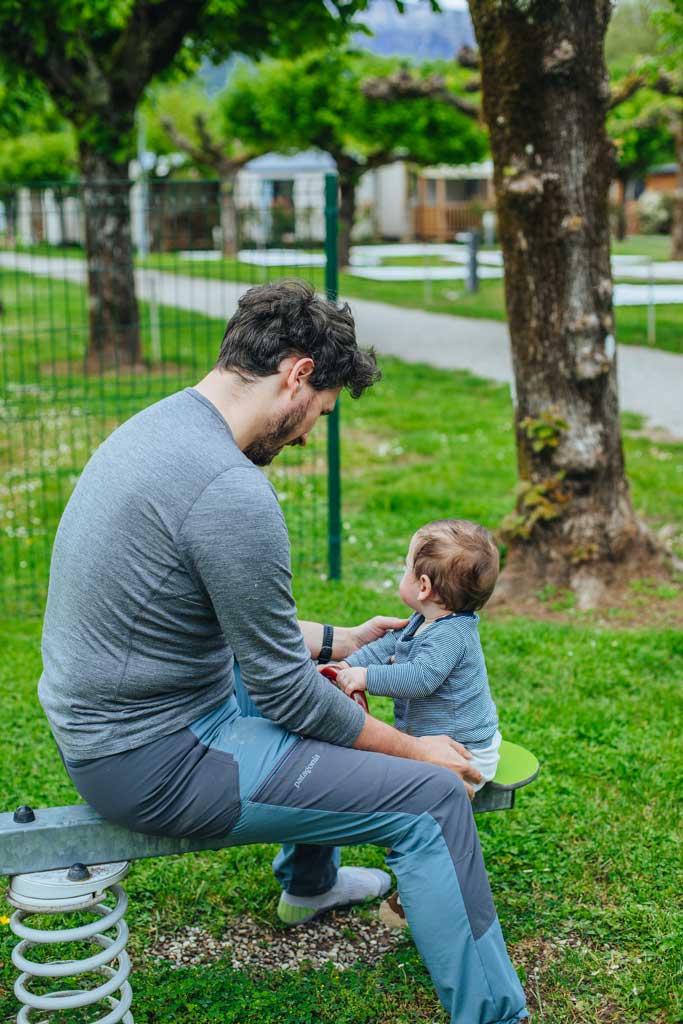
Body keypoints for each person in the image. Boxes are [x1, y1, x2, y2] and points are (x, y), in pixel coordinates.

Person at [38, 280, 528, 1024]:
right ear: (296, 374)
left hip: (121, 723)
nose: (306, 437)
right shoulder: (230, 491)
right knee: (426, 801)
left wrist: (345, 645)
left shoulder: (162, 427)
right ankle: (497, 1015)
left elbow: (235, 629)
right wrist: (414, 751)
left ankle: (311, 884)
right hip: (152, 757)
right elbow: (286, 696)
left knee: (329, 689)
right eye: (320, 415)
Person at [329, 518, 503, 929]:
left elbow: (420, 678)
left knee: (421, 816)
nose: (402, 572)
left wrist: (366, 679)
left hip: (463, 753)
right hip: (432, 744)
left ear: (423, 587)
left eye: (406, 566)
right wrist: (348, 666)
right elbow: (389, 646)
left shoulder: (450, 636)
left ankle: (418, 895)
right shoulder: (426, 621)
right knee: (401, 799)